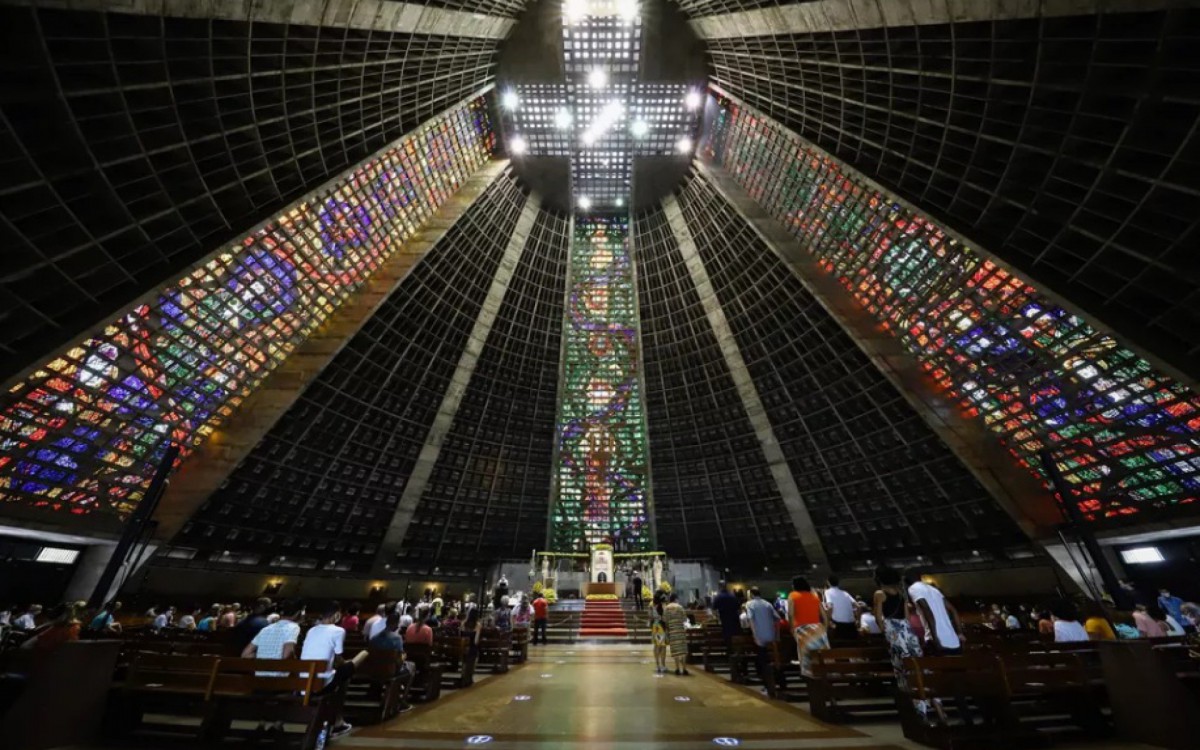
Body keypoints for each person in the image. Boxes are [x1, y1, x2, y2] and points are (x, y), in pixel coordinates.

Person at [300, 601, 366, 739]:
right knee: (364, 654)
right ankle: (337, 721)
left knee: (343, 675)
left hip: (303, 683)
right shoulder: (338, 630)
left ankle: (337, 719)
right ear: (336, 614)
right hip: (322, 682)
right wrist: (348, 663)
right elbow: (338, 658)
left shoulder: (312, 630)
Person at [872, 565, 926, 713]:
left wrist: (885, 632)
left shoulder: (879, 593)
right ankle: (923, 702)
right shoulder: (902, 593)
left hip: (893, 630)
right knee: (915, 665)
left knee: (901, 667)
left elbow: (878, 617)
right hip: (907, 630)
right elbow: (907, 616)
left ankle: (911, 706)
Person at [367, 611, 415, 713]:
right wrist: (404, 658)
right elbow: (400, 656)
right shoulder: (397, 638)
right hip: (391, 670)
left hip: (374, 669)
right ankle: (401, 700)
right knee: (411, 668)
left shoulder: (374, 638)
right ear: (395, 623)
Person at [243, 600, 304, 676]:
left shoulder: (266, 629)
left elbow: (245, 654)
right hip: (279, 677)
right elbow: (287, 653)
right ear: (298, 613)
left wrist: (263, 655)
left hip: (259, 677)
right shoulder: (293, 627)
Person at [906, 573, 962, 654]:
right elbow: (953, 610)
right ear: (920, 578)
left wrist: (936, 640)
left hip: (937, 642)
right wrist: (960, 633)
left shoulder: (913, 588)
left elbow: (928, 612)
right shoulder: (934, 589)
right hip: (954, 641)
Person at [745, 586, 785, 696]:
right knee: (773, 659)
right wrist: (776, 634)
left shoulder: (750, 604)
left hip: (760, 637)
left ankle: (767, 685)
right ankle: (779, 682)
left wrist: (754, 635)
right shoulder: (767, 604)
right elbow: (777, 618)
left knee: (762, 662)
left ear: (752, 595)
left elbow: (751, 619)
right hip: (771, 636)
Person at [786, 577, 828, 677]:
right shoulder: (814, 596)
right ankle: (825, 679)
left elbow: (791, 614)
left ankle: (811, 680)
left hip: (803, 629)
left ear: (795, 586)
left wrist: (792, 629)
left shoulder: (792, 595)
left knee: (806, 657)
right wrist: (824, 629)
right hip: (818, 628)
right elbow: (824, 615)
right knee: (821, 657)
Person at [823, 575, 857, 642]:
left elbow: (830, 607)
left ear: (828, 582)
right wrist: (858, 620)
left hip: (839, 626)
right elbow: (858, 606)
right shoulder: (845, 593)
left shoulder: (827, 592)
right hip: (852, 626)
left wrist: (828, 621)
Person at [663, 593, 689, 675]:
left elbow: (665, 620)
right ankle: (684, 669)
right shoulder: (680, 607)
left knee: (675, 651)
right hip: (680, 630)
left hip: (672, 631)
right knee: (683, 651)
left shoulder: (667, 608)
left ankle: (677, 668)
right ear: (676, 599)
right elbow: (684, 619)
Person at [650, 598, 668, 674]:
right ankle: (663, 666)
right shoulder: (662, 607)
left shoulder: (653, 607)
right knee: (662, 647)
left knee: (656, 646)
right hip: (660, 628)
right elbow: (664, 618)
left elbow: (650, 618)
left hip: (655, 627)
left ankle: (658, 665)